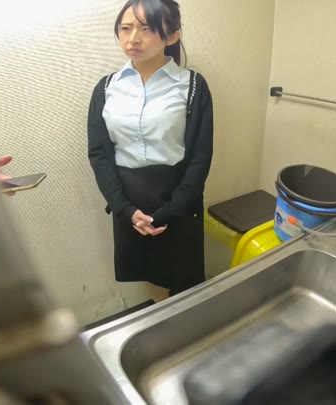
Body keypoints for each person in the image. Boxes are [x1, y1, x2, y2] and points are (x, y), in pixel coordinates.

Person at [87, 0, 213, 301]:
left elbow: (200, 156)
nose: (133, 38)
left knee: (183, 279)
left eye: (146, 29)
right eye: (125, 28)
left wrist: (169, 211)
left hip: (179, 199)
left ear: (172, 36)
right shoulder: (106, 88)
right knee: (148, 273)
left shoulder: (193, 86)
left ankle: (184, 323)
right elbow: (99, 153)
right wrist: (125, 209)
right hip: (129, 201)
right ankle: (161, 319)